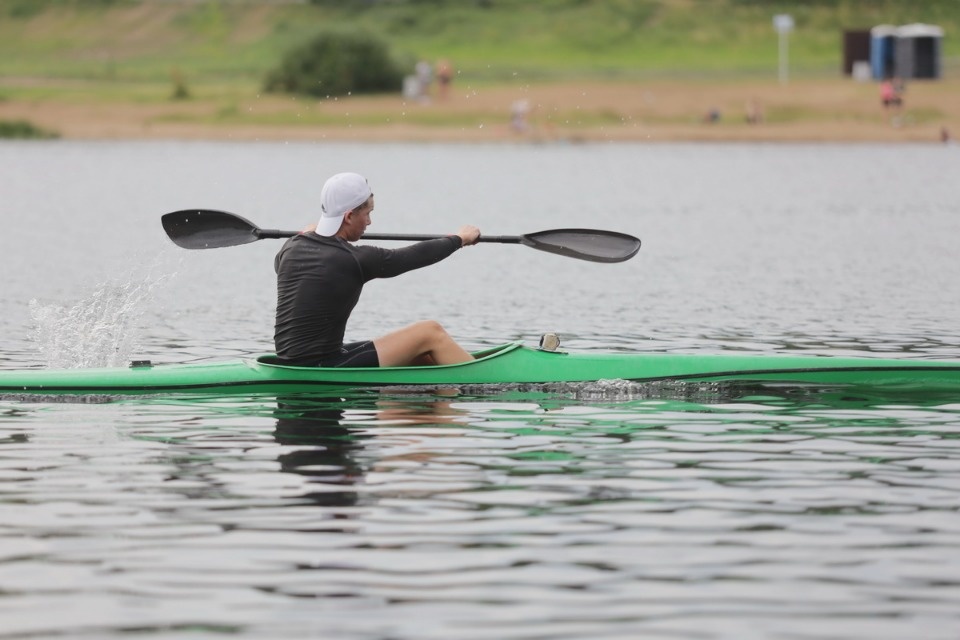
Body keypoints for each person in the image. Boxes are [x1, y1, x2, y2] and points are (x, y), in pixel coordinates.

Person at [274, 172, 481, 368]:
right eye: (367, 213)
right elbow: (415, 256)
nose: (369, 222)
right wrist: (459, 239)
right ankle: (483, 380)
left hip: (292, 359)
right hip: (321, 365)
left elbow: (284, 266)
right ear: (348, 217)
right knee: (430, 332)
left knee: (423, 355)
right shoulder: (354, 259)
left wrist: (308, 233)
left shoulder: (290, 248)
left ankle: (424, 399)